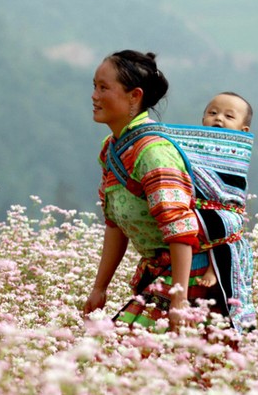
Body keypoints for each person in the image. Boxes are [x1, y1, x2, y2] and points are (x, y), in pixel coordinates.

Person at [83, 49, 219, 332]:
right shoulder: (112, 150)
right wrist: (100, 288)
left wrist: (178, 300)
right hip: (158, 276)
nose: (94, 96)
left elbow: (181, 231)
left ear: (135, 96)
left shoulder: (154, 153)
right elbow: (115, 225)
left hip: (190, 280)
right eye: (94, 86)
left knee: (122, 359)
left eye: (104, 87)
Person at [197, 91, 252, 288]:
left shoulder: (237, 159)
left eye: (229, 116)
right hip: (193, 209)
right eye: (212, 113)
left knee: (225, 222)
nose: (218, 118)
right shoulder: (192, 149)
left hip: (223, 210)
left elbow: (232, 194)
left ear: (243, 131)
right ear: (203, 120)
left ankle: (216, 266)